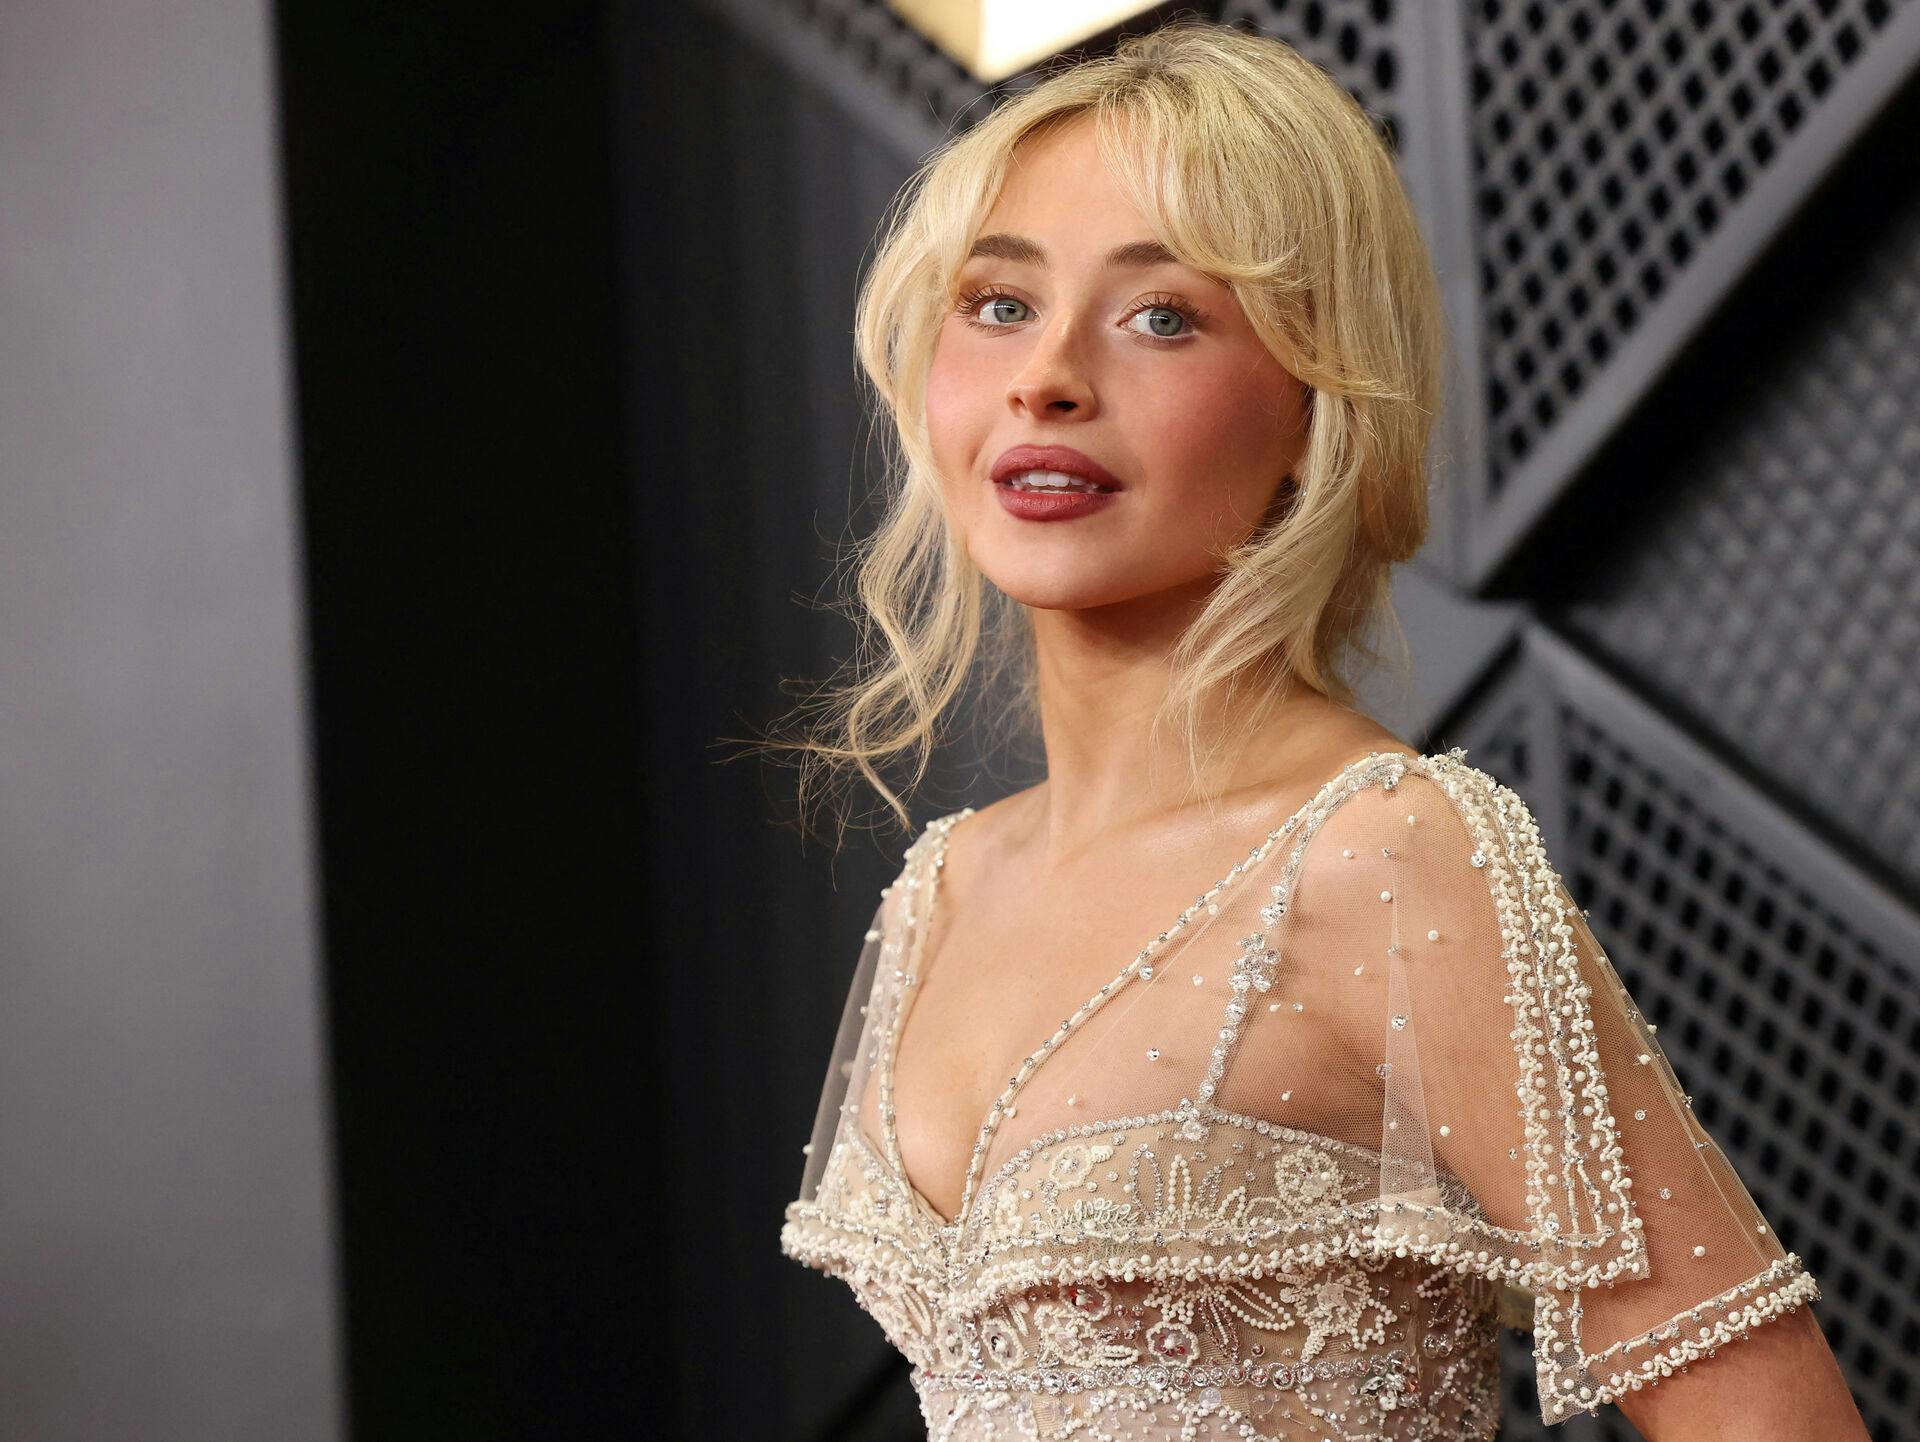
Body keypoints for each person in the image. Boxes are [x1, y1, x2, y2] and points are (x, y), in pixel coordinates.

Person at [769, 20, 1862, 1440]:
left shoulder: (1392, 851)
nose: (1048, 377)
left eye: (1163, 315)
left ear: (1315, 400)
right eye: (997, 303)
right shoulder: (948, 883)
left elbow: (1766, 1412)